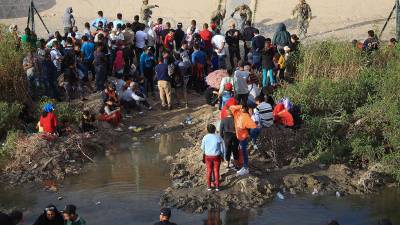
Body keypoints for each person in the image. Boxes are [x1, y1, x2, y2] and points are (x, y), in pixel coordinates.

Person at [230, 105, 257, 176]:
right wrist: (241, 106)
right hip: (239, 136)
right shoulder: (236, 113)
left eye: (243, 108)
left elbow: (254, 126)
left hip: (243, 137)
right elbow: (231, 107)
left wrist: (250, 135)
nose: (242, 109)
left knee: (244, 152)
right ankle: (244, 165)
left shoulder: (245, 116)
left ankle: (246, 168)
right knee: (242, 150)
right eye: (241, 108)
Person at [201, 124, 225, 191]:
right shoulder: (218, 137)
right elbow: (222, 148)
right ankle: (217, 187)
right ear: (214, 130)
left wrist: (204, 156)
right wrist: (222, 156)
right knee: (216, 171)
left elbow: (202, 148)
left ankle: (209, 187)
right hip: (216, 156)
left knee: (209, 171)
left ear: (207, 130)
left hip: (208, 156)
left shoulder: (205, 137)